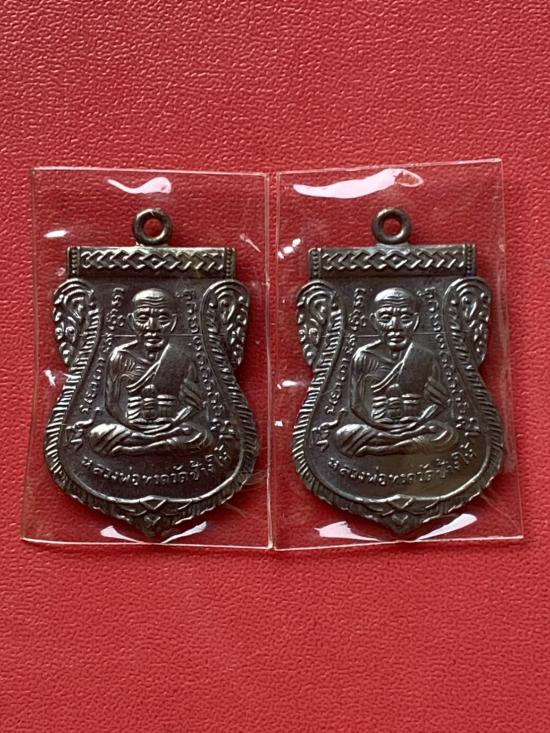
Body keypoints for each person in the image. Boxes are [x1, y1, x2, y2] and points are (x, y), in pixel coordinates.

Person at [89, 287, 212, 456]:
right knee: (97, 435)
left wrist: (173, 423)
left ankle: (139, 450)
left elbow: (194, 405)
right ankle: (157, 444)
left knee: (202, 437)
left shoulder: (182, 359)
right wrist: (129, 423)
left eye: (163, 318)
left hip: (169, 425)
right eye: (142, 318)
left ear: (174, 322)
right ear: (131, 321)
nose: (152, 327)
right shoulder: (120, 356)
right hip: (132, 427)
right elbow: (111, 404)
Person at [335, 287, 457, 456]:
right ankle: (402, 441)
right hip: (378, 426)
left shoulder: (425, 357)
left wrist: (419, 422)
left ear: (416, 321)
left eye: (405, 318)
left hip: (414, 424)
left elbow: (439, 402)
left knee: (447, 434)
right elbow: (355, 405)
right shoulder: (364, 356)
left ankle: (389, 447)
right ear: (374, 321)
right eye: (385, 318)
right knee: (344, 436)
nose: (395, 326)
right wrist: (379, 425)